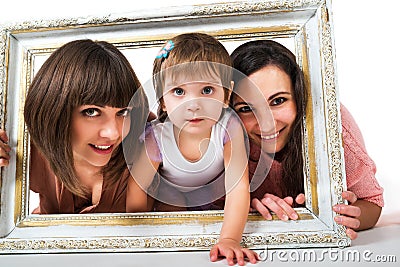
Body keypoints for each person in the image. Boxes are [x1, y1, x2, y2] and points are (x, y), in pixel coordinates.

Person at [229, 39, 384, 240]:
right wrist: (245, 208)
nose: (266, 122)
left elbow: (372, 201)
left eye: (278, 101)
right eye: (247, 109)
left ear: (299, 96)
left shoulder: (332, 126)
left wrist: (346, 214)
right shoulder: (223, 136)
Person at [125, 33, 258, 265]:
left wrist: (229, 238)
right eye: (179, 92)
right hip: (171, 196)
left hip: (216, 197)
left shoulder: (229, 127)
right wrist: (138, 233)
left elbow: (238, 188)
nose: (194, 105)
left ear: (227, 94)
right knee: (171, 202)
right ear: (163, 100)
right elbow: (138, 189)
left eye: (207, 90)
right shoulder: (156, 137)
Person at [0, 39, 149, 214]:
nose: (114, 133)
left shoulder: (150, 142)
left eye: (123, 112)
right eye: (92, 112)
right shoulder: (26, 148)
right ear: (56, 110)